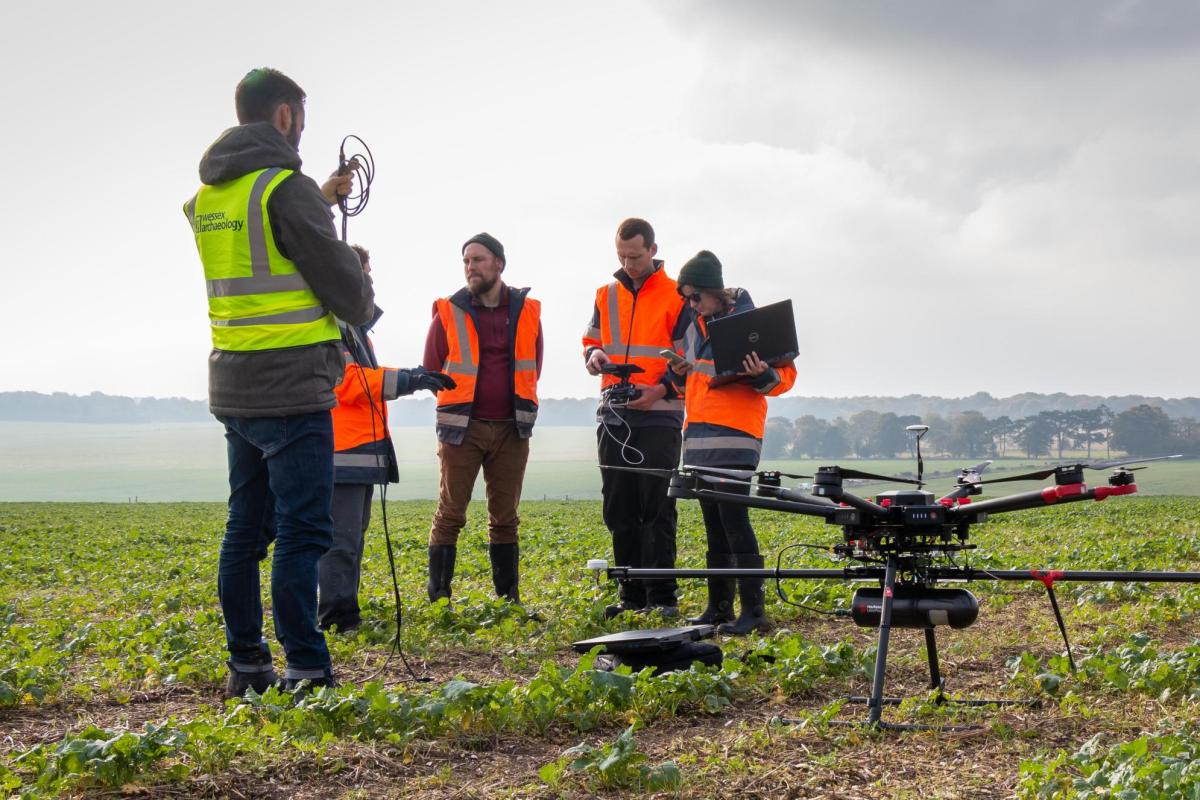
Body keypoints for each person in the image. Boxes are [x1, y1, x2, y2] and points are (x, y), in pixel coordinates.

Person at [184, 67, 375, 697]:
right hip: (292, 385)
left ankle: (247, 666)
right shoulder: (285, 188)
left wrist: (318, 199)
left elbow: (266, 243)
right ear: (286, 116)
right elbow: (344, 290)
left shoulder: (211, 196)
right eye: (302, 119)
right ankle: (307, 666)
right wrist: (356, 273)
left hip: (235, 387)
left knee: (246, 529)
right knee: (302, 531)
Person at [319, 245, 455, 633]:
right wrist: (411, 379)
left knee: (351, 539)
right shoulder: (332, 324)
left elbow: (364, 377)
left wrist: (412, 376)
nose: (371, 280)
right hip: (340, 449)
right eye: (364, 272)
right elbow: (349, 382)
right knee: (340, 542)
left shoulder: (353, 327)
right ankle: (336, 618)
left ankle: (344, 612)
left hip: (358, 448)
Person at [669, 250, 797, 635]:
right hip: (698, 438)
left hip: (736, 437)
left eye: (695, 296)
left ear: (714, 290)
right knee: (712, 522)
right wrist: (676, 373)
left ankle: (754, 612)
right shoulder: (695, 327)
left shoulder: (754, 323)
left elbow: (786, 377)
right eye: (687, 298)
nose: (692, 304)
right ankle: (719, 607)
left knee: (734, 520)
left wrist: (764, 374)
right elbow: (692, 382)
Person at [422, 233, 543, 603]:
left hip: (512, 428)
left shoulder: (528, 310)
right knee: (450, 514)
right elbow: (431, 368)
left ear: (499, 265)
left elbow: (533, 365)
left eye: (478, 260)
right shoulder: (448, 309)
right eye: (466, 261)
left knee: (505, 518)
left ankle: (509, 599)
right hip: (463, 429)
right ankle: (439, 599)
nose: (470, 267)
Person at [582, 218, 687, 618]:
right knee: (618, 506)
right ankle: (630, 596)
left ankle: (661, 597)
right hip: (613, 412)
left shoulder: (677, 295)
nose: (628, 263)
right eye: (621, 256)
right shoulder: (604, 294)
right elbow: (591, 340)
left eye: (636, 256)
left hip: (660, 414)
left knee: (656, 507)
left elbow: (686, 357)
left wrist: (660, 390)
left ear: (654, 249)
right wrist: (593, 357)